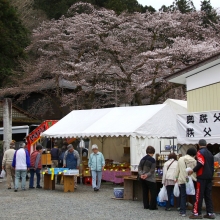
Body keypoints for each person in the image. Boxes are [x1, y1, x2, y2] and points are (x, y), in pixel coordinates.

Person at [188, 139, 215, 219]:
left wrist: (193, 170)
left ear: (199, 145)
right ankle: (210, 213)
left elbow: (201, 163)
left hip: (202, 176)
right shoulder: (210, 153)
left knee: (199, 195)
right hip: (209, 177)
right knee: (208, 196)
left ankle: (196, 213)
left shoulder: (200, 152)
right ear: (206, 145)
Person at [174, 147, 197, 217]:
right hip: (191, 180)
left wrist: (176, 178)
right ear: (194, 154)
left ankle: (182, 211)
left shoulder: (180, 159)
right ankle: (194, 210)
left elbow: (177, 170)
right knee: (193, 194)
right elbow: (195, 171)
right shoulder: (194, 160)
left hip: (182, 179)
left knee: (183, 196)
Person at [138, 146, 157, 210]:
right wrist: (147, 175)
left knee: (145, 192)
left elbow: (139, 168)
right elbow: (152, 170)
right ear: (152, 152)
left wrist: (141, 174)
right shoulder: (153, 160)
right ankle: (152, 206)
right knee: (153, 192)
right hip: (150, 179)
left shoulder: (142, 159)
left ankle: (146, 205)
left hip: (142, 178)